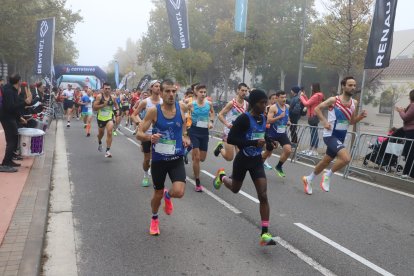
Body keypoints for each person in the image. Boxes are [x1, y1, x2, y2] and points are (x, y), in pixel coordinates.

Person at [213, 89, 276, 246]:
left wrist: (269, 141)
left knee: (263, 194)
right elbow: (232, 138)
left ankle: (265, 233)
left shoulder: (262, 118)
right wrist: (253, 143)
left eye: (266, 103)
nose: (265, 106)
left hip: (256, 161)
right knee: (235, 189)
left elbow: (262, 135)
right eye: (262, 103)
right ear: (254, 104)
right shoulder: (243, 119)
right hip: (242, 159)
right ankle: (222, 176)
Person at [136, 79, 190, 236]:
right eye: (167, 91)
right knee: (157, 195)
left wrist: (185, 135)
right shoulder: (154, 111)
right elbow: (139, 133)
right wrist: (149, 138)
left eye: (174, 91)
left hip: (176, 159)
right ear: (161, 93)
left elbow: (185, 122)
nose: (171, 94)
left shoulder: (181, 108)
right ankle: (154, 219)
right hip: (159, 160)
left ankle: (169, 195)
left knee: (179, 192)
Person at [302, 76, 367, 194]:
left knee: (326, 161)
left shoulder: (354, 103)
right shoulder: (334, 100)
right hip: (330, 135)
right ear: (343, 86)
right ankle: (328, 174)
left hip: (341, 136)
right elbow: (317, 108)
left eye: (354, 85)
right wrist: (324, 121)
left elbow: (351, 121)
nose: (353, 88)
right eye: (350, 85)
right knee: (346, 158)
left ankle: (309, 178)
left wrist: (360, 117)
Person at [132, 80, 162, 187]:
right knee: (146, 159)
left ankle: (155, 176)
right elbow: (134, 114)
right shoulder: (145, 102)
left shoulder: (163, 102)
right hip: (146, 134)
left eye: (159, 86)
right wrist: (140, 123)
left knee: (156, 158)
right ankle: (145, 174)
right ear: (151, 88)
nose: (158, 88)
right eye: (156, 86)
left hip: (159, 135)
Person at [187, 84, 215, 192]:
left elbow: (212, 113)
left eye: (204, 92)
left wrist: (211, 122)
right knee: (197, 157)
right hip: (193, 131)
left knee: (201, 158)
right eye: (201, 92)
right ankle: (197, 183)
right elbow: (183, 111)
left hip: (204, 132)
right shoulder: (191, 104)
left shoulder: (209, 104)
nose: (203, 94)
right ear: (196, 93)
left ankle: (195, 159)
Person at [0, 74, 32, 171]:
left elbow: (16, 104)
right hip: (7, 118)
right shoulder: (9, 91)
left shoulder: (11, 90)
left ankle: (9, 161)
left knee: (13, 139)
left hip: (10, 117)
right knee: (11, 141)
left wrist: (19, 117)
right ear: (18, 81)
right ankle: (5, 164)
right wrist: (25, 102)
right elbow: (10, 107)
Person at [214, 83, 249, 162]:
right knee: (229, 158)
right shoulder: (231, 103)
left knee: (240, 158)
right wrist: (227, 124)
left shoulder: (246, 104)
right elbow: (220, 115)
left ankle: (235, 174)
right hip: (229, 132)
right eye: (242, 90)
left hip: (240, 133)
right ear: (238, 90)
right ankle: (220, 148)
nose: (244, 92)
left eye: (246, 91)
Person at [262, 90, 292, 177]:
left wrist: (289, 121)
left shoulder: (287, 107)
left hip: (282, 133)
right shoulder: (273, 108)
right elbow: (268, 120)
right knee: (268, 151)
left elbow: (287, 117)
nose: (284, 99)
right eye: (282, 97)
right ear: (277, 98)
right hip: (272, 134)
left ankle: (279, 166)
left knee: (288, 150)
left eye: (285, 97)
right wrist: (279, 117)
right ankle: (258, 166)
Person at [93, 83, 119, 158]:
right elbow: (94, 108)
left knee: (110, 132)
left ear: (110, 89)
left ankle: (108, 150)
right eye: (105, 88)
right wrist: (103, 105)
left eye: (108, 89)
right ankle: (99, 142)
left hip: (109, 117)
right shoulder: (99, 97)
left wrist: (117, 110)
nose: (107, 90)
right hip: (101, 118)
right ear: (103, 89)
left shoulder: (113, 97)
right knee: (101, 134)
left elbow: (116, 104)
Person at [299, 83, 324, 156]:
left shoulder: (316, 95)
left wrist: (301, 97)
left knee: (314, 133)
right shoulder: (319, 95)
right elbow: (310, 102)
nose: (310, 88)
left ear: (314, 87)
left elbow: (306, 104)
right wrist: (305, 96)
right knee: (313, 132)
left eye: (311, 86)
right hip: (315, 115)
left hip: (312, 116)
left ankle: (314, 149)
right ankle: (311, 148)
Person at [396, 89, 414, 178]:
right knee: (410, 152)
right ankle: (409, 172)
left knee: (409, 152)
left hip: (411, 131)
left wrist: (400, 111)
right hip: (411, 131)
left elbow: (406, 118)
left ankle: (407, 173)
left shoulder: (413, 105)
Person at [263, 92, 277, 169]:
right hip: (265, 129)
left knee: (272, 147)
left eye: (276, 99)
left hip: (274, 130)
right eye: (273, 99)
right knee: (269, 146)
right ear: (269, 100)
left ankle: (265, 161)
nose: (274, 100)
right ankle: (262, 161)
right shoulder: (266, 108)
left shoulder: (279, 109)